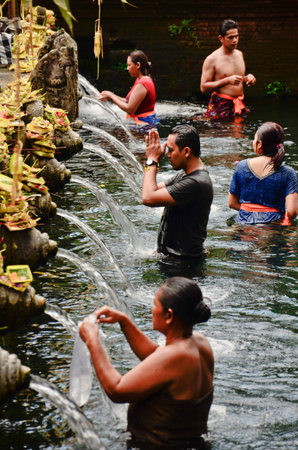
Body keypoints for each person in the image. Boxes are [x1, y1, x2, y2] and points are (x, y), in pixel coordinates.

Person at [79, 277, 214, 449]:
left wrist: (92, 340)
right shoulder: (200, 343)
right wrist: (124, 321)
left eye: (155, 304)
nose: (151, 309)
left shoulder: (174, 357)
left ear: (169, 315)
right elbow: (156, 357)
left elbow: (116, 390)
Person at [142, 125, 213, 257]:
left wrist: (152, 160)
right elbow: (153, 189)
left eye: (170, 150)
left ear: (186, 151)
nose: (167, 155)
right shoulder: (184, 175)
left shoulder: (195, 183)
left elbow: (148, 197)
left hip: (183, 265)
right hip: (174, 260)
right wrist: (153, 162)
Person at [228, 121, 297, 225]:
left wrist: (250, 211)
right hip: (272, 227)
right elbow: (292, 212)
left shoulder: (241, 166)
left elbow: (232, 203)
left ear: (259, 144)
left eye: (254, 139)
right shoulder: (288, 173)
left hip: (243, 225)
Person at [200, 19, 256, 120]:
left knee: (239, 134)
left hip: (238, 104)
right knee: (222, 135)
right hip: (220, 105)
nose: (235, 40)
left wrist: (248, 78)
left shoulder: (239, 54)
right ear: (221, 38)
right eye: (230, 37)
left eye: (236, 36)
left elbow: (238, 79)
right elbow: (203, 87)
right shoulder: (212, 59)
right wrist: (226, 81)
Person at [98, 50, 158, 125]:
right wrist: (110, 96)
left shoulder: (143, 83)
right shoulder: (142, 79)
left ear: (138, 65)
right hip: (145, 122)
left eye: (129, 65)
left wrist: (111, 96)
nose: (127, 68)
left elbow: (130, 109)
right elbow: (129, 101)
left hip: (142, 125)